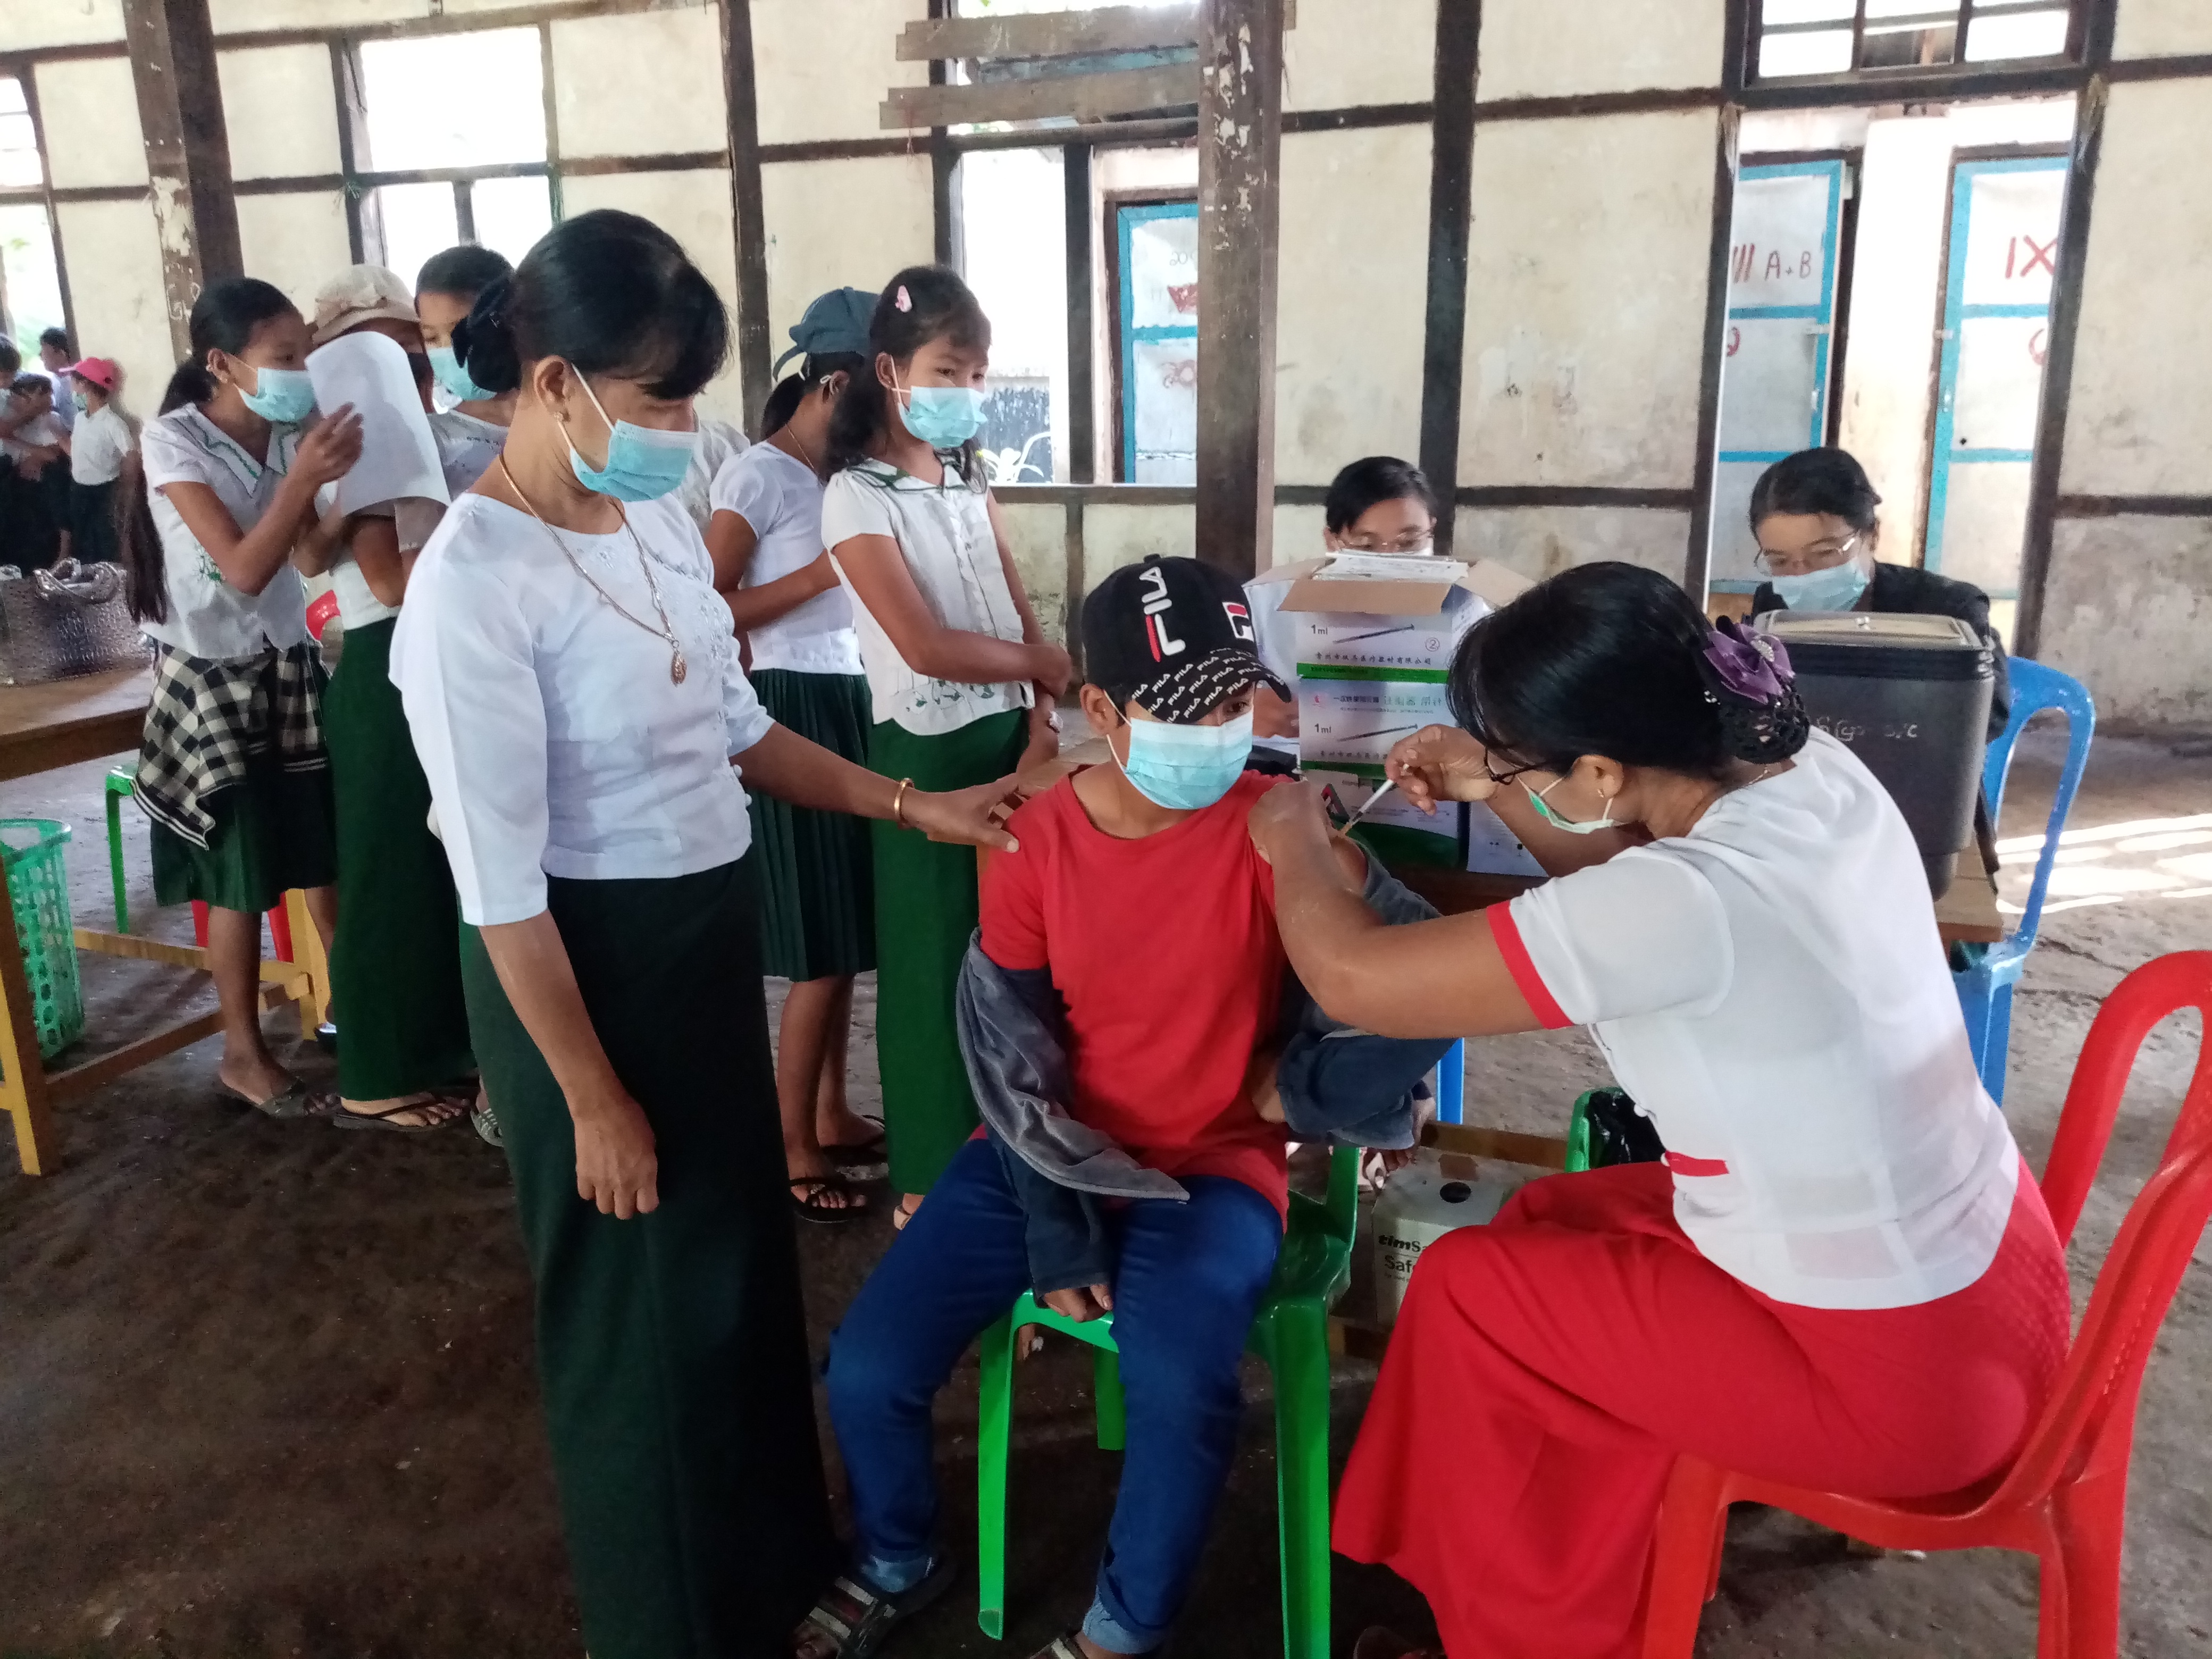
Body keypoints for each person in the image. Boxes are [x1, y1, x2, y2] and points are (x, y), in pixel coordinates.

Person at [389, 208, 1023, 1659]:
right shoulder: (472, 585)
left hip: (697, 940)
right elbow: (500, 885)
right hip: (579, 977)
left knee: (732, 1274)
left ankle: (770, 1565)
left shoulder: (656, 520)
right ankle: (669, 1618)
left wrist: (913, 804)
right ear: (557, 383)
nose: (684, 432)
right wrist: (590, 1097)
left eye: (689, 400)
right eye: (660, 400)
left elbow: (739, 729)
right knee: (636, 1313)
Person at [1244, 560, 2069, 1659]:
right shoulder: (1808, 770)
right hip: (1984, 1278)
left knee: (1468, 1293)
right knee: (1551, 1219)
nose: (1505, 769)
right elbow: (1619, 870)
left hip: (1896, 1380)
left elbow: (1356, 980)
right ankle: (1589, 1576)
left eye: (1520, 754)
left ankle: (1520, 1632)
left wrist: (1294, 843)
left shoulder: (1684, 903)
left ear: (1600, 767)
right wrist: (1502, 778)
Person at [809, 556, 1326, 1659]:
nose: (1222, 733)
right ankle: (898, 1555)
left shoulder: (1279, 828)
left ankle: (1122, 1628)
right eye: (1186, 709)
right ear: (1101, 710)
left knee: (1181, 1386)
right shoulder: (1033, 841)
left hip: (1212, 1168)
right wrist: (1056, 1217)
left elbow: (1383, 985)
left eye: (1236, 703)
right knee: (868, 1366)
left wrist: (1323, 1092)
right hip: (1040, 1150)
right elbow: (1012, 1050)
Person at [822, 265, 1070, 1222]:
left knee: (1016, 959)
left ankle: (1012, 1155)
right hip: (926, 753)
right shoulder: (856, 497)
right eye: (948, 371)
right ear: (891, 372)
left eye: (977, 374)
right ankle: (929, 1174)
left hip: (1009, 735)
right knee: (933, 966)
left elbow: (1015, 599)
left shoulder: (968, 477)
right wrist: (1037, 663)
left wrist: (1041, 715)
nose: (967, 391)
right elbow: (921, 643)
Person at [117, 277, 361, 1117]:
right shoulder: (174, 441)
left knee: (323, 851)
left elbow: (309, 557)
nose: (299, 372)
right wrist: (306, 478)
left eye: (305, 354)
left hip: (286, 664)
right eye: (283, 356)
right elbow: (246, 570)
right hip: (212, 675)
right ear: (221, 364)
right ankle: (241, 1052)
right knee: (239, 874)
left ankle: (358, 1008)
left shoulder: (291, 436)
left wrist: (348, 493)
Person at [707, 286, 883, 1221]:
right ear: (838, 385)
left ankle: (830, 1110)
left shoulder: (844, 479)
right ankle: (792, 1148)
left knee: (842, 934)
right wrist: (821, 574)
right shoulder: (759, 477)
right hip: (789, 701)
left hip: (845, 693)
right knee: (814, 946)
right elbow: (708, 604)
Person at [295, 264, 476, 1133]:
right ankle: (373, 1073)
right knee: (385, 876)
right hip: (382, 662)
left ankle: (433, 1049)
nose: (413, 365)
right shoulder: (358, 442)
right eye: (393, 350)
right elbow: (389, 582)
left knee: (430, 875)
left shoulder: (410, 433)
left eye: (418, 348)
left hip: (420, 656)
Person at [1246, 455, 1441, 750]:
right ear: (1332, 541)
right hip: (1289, 769)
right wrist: (1241, 709)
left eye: (1409, 543)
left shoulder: (1465, 607)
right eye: (1366, 546)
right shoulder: (1265, 602)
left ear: (1432, 530)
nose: (1391, 560)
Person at [65, 357, 132, 567]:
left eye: (74, 382)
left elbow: (131, 456)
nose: (72, 388)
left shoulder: (113, 423)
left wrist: (126, 490)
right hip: (79, 489)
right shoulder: (80, 419)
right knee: (83, 543)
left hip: (105, 492)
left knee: (106, 544)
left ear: (85, 385)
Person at [3, 372, 72, 567]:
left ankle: (64, 549)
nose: (13, 401)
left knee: (55, 478)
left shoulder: (51, 419)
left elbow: (53, 455)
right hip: (19, 483)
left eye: (21, 396)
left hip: (45, 485)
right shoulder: (18, 421)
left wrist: (19, 445)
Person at [38, 327, 76, 431]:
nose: (40, 356)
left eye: (44, 350)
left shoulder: (79, 384)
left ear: (61, 353)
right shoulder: (53, 382)